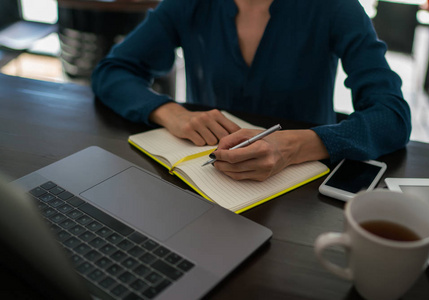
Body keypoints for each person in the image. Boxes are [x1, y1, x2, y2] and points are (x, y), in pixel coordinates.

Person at [92, 0, 411, 181]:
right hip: (211, 177)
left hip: (302, 186)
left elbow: (392, 115)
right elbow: (112, 71)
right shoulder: (188, 4)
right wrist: (172, 113)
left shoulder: (334, 7)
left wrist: (296, 146)